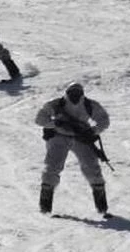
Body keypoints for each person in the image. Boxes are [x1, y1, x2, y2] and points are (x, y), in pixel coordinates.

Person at [34, 82, 111, 216]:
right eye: (72, 92)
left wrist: (93, 131)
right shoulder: (57, 104)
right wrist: (54, 123)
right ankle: (45, 207)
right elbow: (39, 118)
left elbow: (104, 120)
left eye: (77, 93)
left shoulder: (89, 105)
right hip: (59, 136)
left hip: (81, 138)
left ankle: (102, 208)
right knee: (52, 168)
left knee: (92, 168)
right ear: (67, 93)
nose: (74, 95)